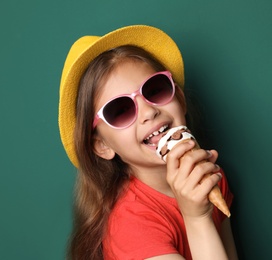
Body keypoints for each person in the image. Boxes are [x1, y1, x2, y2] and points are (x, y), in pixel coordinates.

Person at [58, 25, 238, 260]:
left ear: (179, 99)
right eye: (120, 110)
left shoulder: (211, 177)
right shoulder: (129, 225)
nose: (148, 112)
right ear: (103, 146)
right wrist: (197, 218)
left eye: (155, 89)